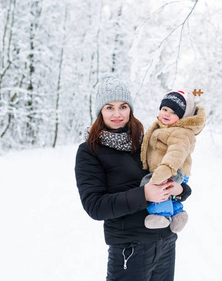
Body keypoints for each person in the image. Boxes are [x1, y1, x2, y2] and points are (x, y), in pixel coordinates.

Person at [75, 75, 192, 281]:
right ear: (100, 111)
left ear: (130, 108)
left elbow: (174, 172)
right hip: (129, 249)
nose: (117, 114)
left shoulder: (146, 141)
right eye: (109, 107)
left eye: (123, 106)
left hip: (165, 242)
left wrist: (180, 190)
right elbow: (95, 206)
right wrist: (144, 194)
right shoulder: (90, 151)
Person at [140, 90, 206, 233]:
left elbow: (176, 153)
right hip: (168, 169)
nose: (167, 114)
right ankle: (178, 215)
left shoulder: (180, 132)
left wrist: (162, 173)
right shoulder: (163, 128)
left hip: (171, 170)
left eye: (173, 112)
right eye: (164, 109)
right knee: (170, 195)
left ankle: (161, 215)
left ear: (182, 117)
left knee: (157, 189)